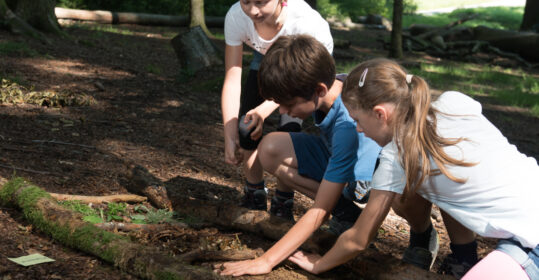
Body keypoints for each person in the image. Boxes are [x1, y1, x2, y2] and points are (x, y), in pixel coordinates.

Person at [283, 58, 539, 279]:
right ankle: (465, 259)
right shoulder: (454, 101)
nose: (358, 129)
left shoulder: (396, 157)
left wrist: (319, 264)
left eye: (359, 120)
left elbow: (359, 239)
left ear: (381, 114)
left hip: (531, 243)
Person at [216, 35, 381, 276]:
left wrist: (266, 260)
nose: (282, 111)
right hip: (335, 155)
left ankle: (411, 234)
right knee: (270, 148)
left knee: (332, 197)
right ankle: (347, 215)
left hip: (369, 180)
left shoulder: (347, 125)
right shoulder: (332, 86)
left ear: (319, 90)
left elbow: (320, 209)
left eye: (287, 103)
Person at [221, 0, 333, 211]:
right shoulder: (236, 16)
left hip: (303, 68)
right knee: (246, 127)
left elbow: (304, 82)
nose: (253, 11)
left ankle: (284, 199)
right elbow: (232, 78)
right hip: (264, 58)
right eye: (246, 2)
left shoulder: (307, 24)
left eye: (261, 2)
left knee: (289, 130)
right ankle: (254, 192)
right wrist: (229, 134)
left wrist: (263, 110)